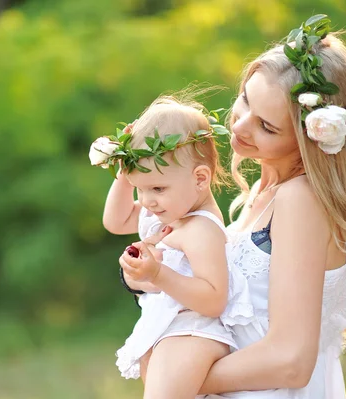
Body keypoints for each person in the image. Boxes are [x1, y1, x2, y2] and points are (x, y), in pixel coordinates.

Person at [124, 15, 346, 398]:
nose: (240, 126)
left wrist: (176, 379)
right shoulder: (258, 197)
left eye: (267, 126)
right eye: (246, 100)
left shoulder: (300, 201)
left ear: (309, 139)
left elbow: (290, 361)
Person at [90, 95, 258, 398]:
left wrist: (158, 275)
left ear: (200, 178)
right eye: (141, 188)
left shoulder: (200, 229)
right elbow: (115, 221)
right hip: (167, 330)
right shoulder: (166, 211)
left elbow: (213, 300)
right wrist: (124, 171)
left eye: (157, 188)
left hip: (194, 332)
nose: (148, 200)